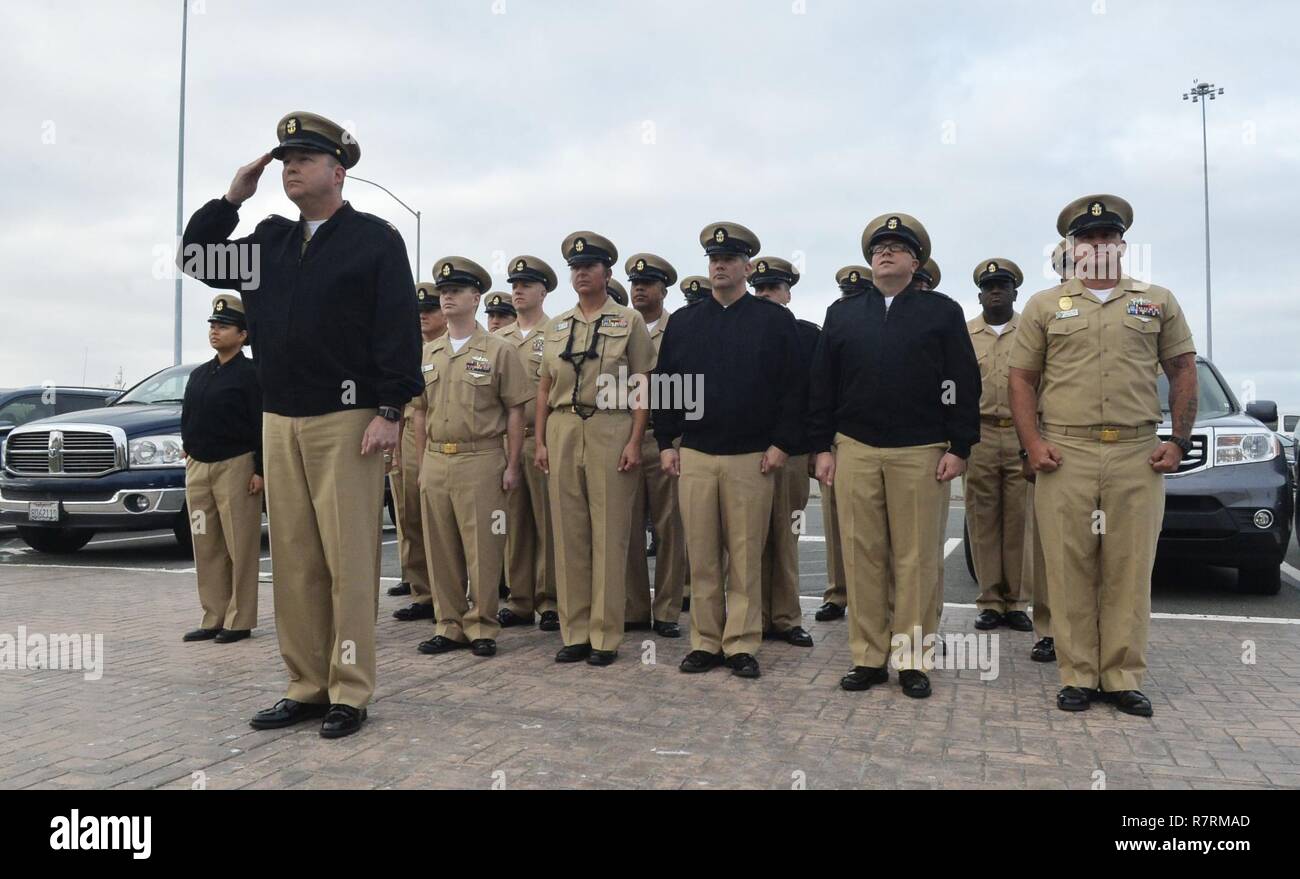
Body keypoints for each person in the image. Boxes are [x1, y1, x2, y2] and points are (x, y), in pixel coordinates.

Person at [181, 111, 422, 739]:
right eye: (285, 159)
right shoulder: (268, 242)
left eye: (304, 159)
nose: (289, 167)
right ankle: (306, 685)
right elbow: (194, 257)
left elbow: (396, 330)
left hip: (346, 418)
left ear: (337, 172)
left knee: (348, 558)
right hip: (277, 418)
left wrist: (391, 411)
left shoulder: (375, 239)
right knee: (292, 560)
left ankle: (350, 690)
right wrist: (230, 199)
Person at [1008, 195, 1197, 717]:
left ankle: (1121, 676)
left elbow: (1183, 368)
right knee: (1069, 568)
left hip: (1137, 453)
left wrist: (1178, 440)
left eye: (1107, 237)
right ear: (1072, 248)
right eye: (1088, 239)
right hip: (1065, 452)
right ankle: (1078, 675)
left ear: (1122, 245)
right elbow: (1021, 378)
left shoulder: (1156, 300)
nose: (1098, 246)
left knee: (1130, 568)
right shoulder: (1046, 306)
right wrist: (1032, 443)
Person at [809, 213, 980, 699]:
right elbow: (822, 383)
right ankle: (867, 656)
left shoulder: (940, 312)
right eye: (879, 247)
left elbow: (962, 382)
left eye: (897, 247)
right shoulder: (842, 314)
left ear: (915, 261)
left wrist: (959, 445)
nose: (885, 253)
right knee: (862, 554)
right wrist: (822, 446)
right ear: (869, 260)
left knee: (917, 557)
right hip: (856, 448)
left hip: (920, 450)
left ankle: (911, 659)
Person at [653, 222, 804, 679]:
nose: (719, 265)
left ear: (748, 267)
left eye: (729, 259)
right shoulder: (686, 321)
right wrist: (665, 443)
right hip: (696, 454)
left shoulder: (774, 322)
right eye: (714, 259)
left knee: (744, 555)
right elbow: (665, 387)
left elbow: (795, 389)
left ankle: (740, 643)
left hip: (750, 457)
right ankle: (705, 641)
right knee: (700, 555)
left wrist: (782, 443)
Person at [535, 232, 655, 666]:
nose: (581, 272)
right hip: (563, 427)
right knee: (569, 535)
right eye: (575, 267)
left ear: (607, 273)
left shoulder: (629, 321)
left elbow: (642, 382)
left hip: (611, 426)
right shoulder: (556, 326)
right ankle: (575, 631)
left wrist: (635, 440)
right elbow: (544, 385)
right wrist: (540, 440)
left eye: (590, 266)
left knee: (609, 534)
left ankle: (605, 636)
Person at [409, 257, 531, 657]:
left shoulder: (499, 350)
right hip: (437, 458)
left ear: (475, 297)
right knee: (440, 546)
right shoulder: (429, 352)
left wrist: (512, 465)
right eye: (443, 292)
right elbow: (421, 410)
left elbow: (515, 409)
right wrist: (424, 460)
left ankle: (482, 625)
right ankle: (449, 624)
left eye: (455, 291)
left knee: (483, 546)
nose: (446, 297)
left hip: (480, 457)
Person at [181, 293, 263, 645]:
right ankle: (213, 615)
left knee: (239, 545)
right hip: (199, 466)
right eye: (213, 325)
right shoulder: (201, 373)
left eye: (224, 326)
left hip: (236, 465)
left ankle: (239, 619)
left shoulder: (251, 374)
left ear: (243, 335)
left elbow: (261, 423)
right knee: (207, 544)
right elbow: (189, 416)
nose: (215, 331)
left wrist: (260, 468)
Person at [749, 255, 816, 647]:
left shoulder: (808, 336)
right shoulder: (739, 334)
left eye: (772, 288)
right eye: (759, 289)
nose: (765, 296)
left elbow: (816, 398)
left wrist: (811, 449)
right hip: (748, 455)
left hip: (790, 455)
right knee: (749, 540)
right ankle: (754, 617)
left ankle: (788, 617)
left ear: (788, 293)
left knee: (787, 537)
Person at [965, 259, 1033, 633]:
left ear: (1014, 293)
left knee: (1020, 520)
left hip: (1023, 433)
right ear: (979, 294)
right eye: (989, 287)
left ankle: (1018, 602)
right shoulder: (965, 334)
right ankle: (990, 600)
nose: (995, 292)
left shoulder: (1031, 330)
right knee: (982, 519)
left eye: (1002, 286)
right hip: (982, 433)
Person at [495, 255, 561, 632]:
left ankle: (549, 599)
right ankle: (519, 600)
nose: (517, 291)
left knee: (547, 523)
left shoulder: (556, 333)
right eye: (514, 285)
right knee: (512, 523)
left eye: (526, 285)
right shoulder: (497, 340)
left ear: (543, 291)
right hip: (505, 442)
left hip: (541, 440)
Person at [623, 252, 687, 638]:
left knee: (669, 528)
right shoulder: (618, 327)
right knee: (627, 527)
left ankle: (666, 610)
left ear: (664, 289)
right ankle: (633, 607)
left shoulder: (677, 328)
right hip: (626, 438)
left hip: (665, 439)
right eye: (635, 283)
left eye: (647, 283)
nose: (639, 289)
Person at [814, 264, 871, 623]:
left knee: (875, 533)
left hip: (864, 440)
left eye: (856, 295)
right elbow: (821, 385)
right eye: (844, 294)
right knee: (836, 523)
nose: (848, 300)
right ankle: (837, 593)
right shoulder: (836, 326)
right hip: (837, 440)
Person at [390, 282, 445, 621]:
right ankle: (421, 589)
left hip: (442, 433)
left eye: (430, 311)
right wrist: (394, 450)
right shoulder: (408, 349)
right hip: (407, 429)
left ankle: (450, 591)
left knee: (439, 519)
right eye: (419, 312)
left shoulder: (453, 347)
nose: (423, 317)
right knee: (409, 513)